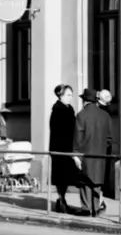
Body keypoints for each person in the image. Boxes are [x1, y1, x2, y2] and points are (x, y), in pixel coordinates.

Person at [74, 88, 113, 216]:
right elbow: (109, 138)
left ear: (84, 101)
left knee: (85, 182)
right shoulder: (105, 115)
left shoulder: (81, 115)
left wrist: (76, 154)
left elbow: (77, 137)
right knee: (97, 181)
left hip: (85, 154)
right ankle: (96, 208)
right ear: (95, 100)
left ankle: (86, 208)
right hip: (101, 154)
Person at [48, 84, 82, 213]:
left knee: (67, 177)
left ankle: (61, 201)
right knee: (62, 177)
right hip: (61, 149)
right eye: (68, 95)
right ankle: (61, 201)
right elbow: (59, 134)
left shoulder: (69, 109)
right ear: (60, 96)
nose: (71, 97)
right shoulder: (57, 111)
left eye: (71, 95)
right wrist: (71, 153)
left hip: (69, 148)